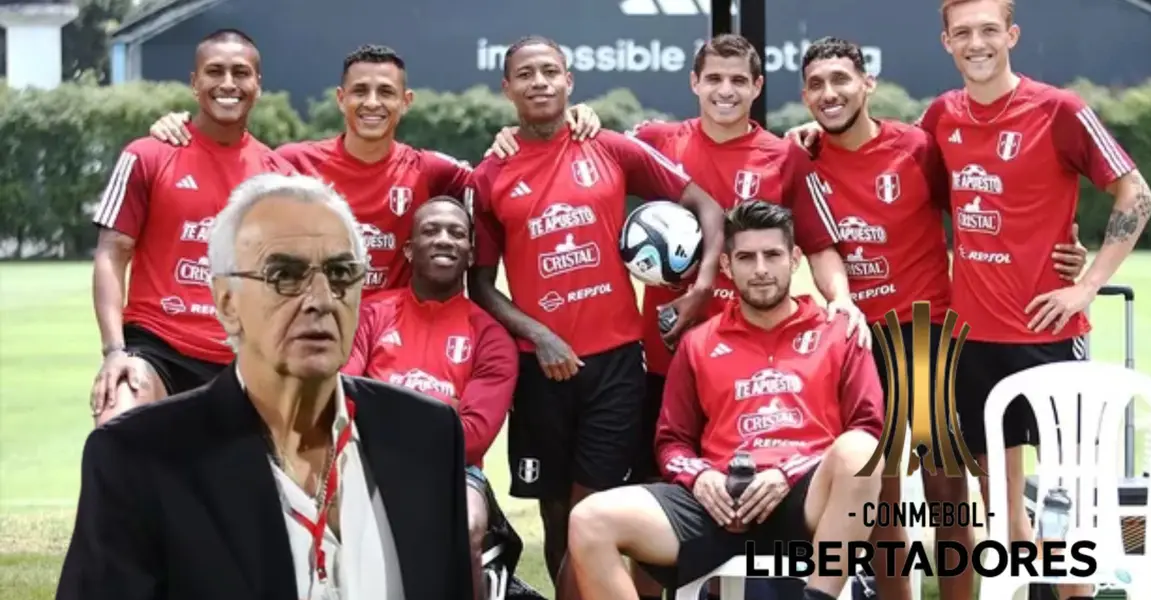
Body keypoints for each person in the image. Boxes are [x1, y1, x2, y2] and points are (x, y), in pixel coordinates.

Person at [487, 34, 868, 600]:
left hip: (755, 358)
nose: (725, 90)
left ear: (758, 87)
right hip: (664, 359)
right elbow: (572, 138)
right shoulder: (655, 139)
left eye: (738, 80)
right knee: (650, 497)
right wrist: (573, 116)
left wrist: (840, 298)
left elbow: (815, 243)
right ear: (694, 83)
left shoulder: (783, 156)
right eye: (713, 78)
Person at [58, 173, 473, 600]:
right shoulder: (138, 459)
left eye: (340, 273)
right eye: (285, 275)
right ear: (227, 302)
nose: (321, 299)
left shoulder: (427, 435)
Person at [794, 36, 1091, 600]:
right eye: (816, 85)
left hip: (927, 339)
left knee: (947, 495)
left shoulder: (916, 147)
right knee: (879, 504)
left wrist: (1067, 252)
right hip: (858, 343)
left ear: (867, 84)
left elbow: (990, 207)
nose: (829, 93)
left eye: (841, 80)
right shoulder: (802, 159)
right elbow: (818, 244)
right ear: (805, 97)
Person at [465, 35, 728, 594]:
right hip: (540, 369)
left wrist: (700, 288)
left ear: (569, 80)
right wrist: (540, 336)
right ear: (507, 88)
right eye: (525, 74)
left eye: (549, 71)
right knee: (557, 513)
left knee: (595, 509)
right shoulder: (490, 175)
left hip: (615, 365)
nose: (539, 82)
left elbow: (706, 206)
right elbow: (481, 285)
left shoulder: (610, 147)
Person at [924, 1, 1151, 596]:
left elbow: (1137, 195)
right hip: (973, 343)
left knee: (1066, 514)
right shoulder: (941, 116)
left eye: (989, 30)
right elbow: (908, 183)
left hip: (1049, 340)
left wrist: (1087, 283)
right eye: (963, 33)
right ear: (947, 42)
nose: (977, 43)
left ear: (1013, 35)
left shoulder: (1060, 110)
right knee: (1002, 515)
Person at [563, 200, 884, 600]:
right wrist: (701, 477)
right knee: (589, 520)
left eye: (772, 255)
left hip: (804, 502)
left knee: (860, 451)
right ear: (728, 267)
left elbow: (869, 430)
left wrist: (787, 474)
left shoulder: (840, 332)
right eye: (746, 258)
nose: (761, 269)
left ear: (795, 259)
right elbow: (671, 442)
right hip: (720, 505)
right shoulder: (698, 342)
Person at [145, 44, 602, 297]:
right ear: (340, 98)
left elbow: (504, 175)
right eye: (360, 91)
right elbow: (230, 156)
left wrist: (562, 122)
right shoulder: (292, 163)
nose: (372, 103)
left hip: (389, 342)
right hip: (315, 329)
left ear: (405, 102)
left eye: (386, 92)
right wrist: (182, 125)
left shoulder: (432, 171)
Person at [89, 29, 293, 427]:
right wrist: (114, 351)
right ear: (194, 82)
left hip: (244, 359)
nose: (228, 83)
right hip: (156, 350)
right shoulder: (147, 155)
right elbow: (111, 254)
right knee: (116, 424)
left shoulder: (279, 176)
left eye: (241, 73)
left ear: (258, 84)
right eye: (215, 71)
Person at [342, 195, 518, 596]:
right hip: (366, 461)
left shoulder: (491, 337)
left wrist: (382, 404)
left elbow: (472, 437)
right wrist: (442, 412)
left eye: (457, 233)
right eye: (431, 230)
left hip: (453, 470)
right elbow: (341, 402)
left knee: (466, 525)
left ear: (470, 253)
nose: (444, 239)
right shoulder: (369, 314)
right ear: (409, 249)